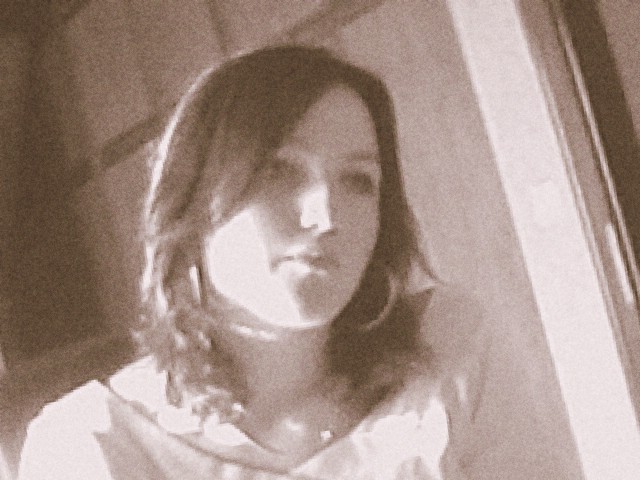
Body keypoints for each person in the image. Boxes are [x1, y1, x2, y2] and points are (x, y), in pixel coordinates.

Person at [16, 45, 557, 480]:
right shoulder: (89, 443)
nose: (327, 215)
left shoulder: (449, 348)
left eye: (358, 181)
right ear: (192, 204)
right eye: (279, 171)